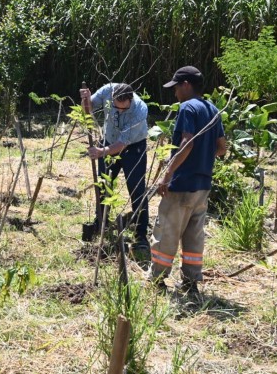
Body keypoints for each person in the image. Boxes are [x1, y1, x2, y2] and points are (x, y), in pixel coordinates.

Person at [149, 66, 226, 297]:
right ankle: (191, 282)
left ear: (186, 85)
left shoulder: (187, 107)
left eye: (176, 88)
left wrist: (167, 174)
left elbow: (187, 143)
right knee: (194, 236)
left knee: (167, 233)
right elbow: (222, 149)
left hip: (182, 184)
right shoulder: (213, 109)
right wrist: (203, 157)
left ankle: (157, 281)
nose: (175, 94)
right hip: (202, 185)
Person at [80, 83, 150, 254]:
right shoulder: (106, 91)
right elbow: (87, 110)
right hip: (108, 141)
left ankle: (141, 234)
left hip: (133, 148)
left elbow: (123, 142)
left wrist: (101, 152)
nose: (118, 111)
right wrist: (85, 100)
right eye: (115, 107)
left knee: (136, 188)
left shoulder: (140, 110)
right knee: (104, 185)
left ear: (130, 100)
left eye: (123, 109)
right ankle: (101, 222)